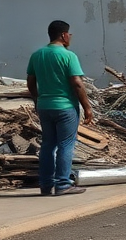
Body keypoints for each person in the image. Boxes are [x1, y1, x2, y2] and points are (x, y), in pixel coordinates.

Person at [26, 20, 94, 195]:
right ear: (64, 35)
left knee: (48, 144)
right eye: (69, 34)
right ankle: (63, 184)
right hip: (65, 107)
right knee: (66, 144)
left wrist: (37, 99)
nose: (70, 37)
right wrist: (87, 107)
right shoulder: (68, 56)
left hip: (45, 106)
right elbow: (77, 83)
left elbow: (31, 82)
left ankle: (46, 184)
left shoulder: (37, 55)